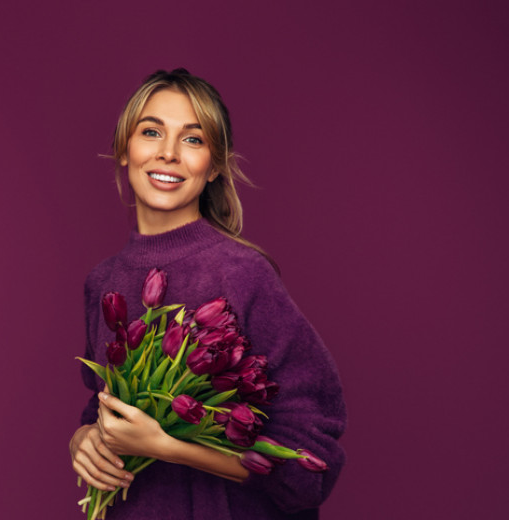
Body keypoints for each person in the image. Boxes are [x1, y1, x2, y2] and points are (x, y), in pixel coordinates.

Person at [69, 68, 346, 519]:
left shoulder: (243, 274)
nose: (168, 153)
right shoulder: (103, 282)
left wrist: (169, 447)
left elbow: (311, 465)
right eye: (151, 131)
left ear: (215, 165)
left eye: (193, 140)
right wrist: (82, 440)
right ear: (124, 149)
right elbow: (100, 407)